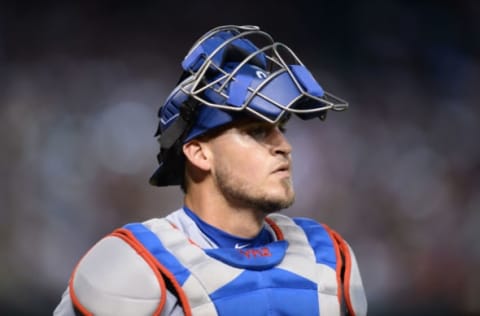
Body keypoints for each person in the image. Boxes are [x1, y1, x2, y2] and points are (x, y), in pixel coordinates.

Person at [54, 25, 367, 316]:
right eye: (257, 131)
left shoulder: (328, 258)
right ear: (199, 152)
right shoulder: (132, 268)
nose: (285, 146)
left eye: (281, 128)